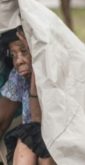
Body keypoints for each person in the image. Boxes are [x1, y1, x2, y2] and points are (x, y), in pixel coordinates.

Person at [0, 27, 55, 165]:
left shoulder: (52, 70)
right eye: (13, 55)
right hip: (33, 136)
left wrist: (36, 65)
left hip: (57, 136)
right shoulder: (18, 76)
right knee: (26, 140)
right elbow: (2, 119)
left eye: (24, 51)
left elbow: (38, 120)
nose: (18, 61)